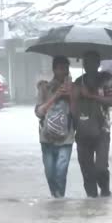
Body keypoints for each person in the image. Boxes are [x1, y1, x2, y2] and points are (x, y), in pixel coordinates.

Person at [72, 51, 112, 198]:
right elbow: (73, 108)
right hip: (82, 130)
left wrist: (91, 96)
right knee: (86, 169)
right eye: (86, 62)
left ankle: (105, 192)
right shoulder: (78, 82)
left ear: (98, 64)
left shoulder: (106, 80)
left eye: (92, 62)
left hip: (102, 130)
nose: (88, 65)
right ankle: (92, 202)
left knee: (101, 167)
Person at [35, 56, 75, 198]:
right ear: (54, 69)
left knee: (61, 171)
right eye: (60, 68)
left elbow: (76, 114)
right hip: (47, 137)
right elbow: (39, 113)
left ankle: (60, 199)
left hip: (66, 138)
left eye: (66, 68)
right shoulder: (45, 87)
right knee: (50, 172)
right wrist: (56, 96)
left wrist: (70, 96)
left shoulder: (73, 88)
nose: (64, 71)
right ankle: (55, 198)